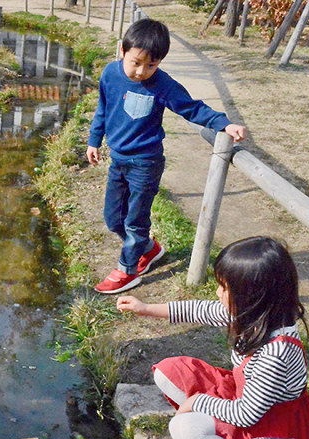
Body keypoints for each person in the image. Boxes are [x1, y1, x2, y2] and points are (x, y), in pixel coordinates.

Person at [116, 236, 309, 439]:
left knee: (184, 429)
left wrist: (196, 402)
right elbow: (200, 310)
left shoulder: (276, 354)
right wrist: (146, 308)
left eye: (224, 287)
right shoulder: (253, 315)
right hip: (242, 396)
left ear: (253, 296)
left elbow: (246, 414)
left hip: (269, 426)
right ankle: (215, 437)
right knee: (167, 371)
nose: (217, 293)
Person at [87, 19, 247, 294]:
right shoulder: (110, 75)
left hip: (146, 163)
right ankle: (149, 249)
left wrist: (223, 123)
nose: (141, 71)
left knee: (135, 220)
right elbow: (103, 109)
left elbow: (192, 108)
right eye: (136, 62)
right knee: (114, 219)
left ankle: (128, 270)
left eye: (151, 65)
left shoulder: (162, 85)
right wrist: (93, 141)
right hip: (119, 160)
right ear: (122, 51)